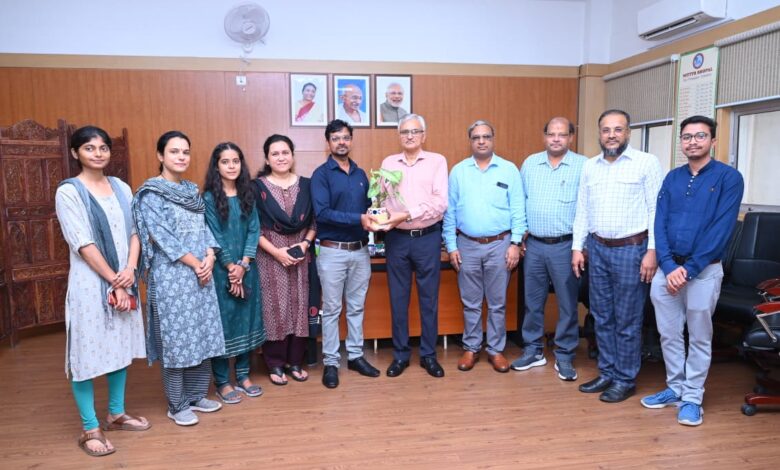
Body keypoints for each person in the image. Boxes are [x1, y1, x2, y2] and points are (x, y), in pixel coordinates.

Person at [642, 116, 743, 426]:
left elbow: (720, 231)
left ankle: (693, 398)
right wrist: (669, 265)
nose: (693, 142)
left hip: (703, 271)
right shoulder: (673, 177)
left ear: (713, 140)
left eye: (700, 136)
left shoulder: (729, 178)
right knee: (669, 333)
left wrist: (687, 270)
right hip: (668, 269)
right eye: (687, 137)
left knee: (699, 336)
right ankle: (675, 388)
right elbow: (659, 222)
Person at [55, 126, 149, 457]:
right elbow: (82, 242)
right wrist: (115, 280)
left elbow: (136, 231)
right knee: (86, 351)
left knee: (119, 345)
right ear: (75, 153)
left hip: (125, 275)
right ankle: (90, 427)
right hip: (90, 282)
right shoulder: (69, 192)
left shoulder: (121, 187)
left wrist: (130, 271)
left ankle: (116, 414)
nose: (98, 153)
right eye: (89, 148)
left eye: (103, 148)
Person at [133, 130, 225, 426]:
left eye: (185, 152)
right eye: (174, 151)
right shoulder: (151, 193)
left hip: (201, 274)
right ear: (160, 155)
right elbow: (163, 237)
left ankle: (197, 395)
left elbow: (204, 229)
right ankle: (177, 404)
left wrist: (210, 257)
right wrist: (197, 263)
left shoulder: (191, 191)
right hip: (172, 277)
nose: (181, 157)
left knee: (202, 334)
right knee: (177, 341)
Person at [572, 109, 663, 403]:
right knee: (601, 316)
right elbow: (583, 209)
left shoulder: (647, 163)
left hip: (632, 249)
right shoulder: (590, 166)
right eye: (606, 130)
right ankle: (607, 372)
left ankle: (625, 379)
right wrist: (577, 247)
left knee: (627, 319)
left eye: (618, 129)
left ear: (628, 133)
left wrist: (652, 251)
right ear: (599, 133)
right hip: (597, 249)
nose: (611, 135)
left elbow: (657, 211)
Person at [443, 120, 525, 373]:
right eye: (476, 137)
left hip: (500, 245)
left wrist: (515, 243)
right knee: (471, 302)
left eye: (486, 136)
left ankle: (496, 350)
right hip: (466, 245)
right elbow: (449, 212)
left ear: (492, 139)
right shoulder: (458, 171)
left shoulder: (509, 170)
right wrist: (451, 246)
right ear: (470, 141)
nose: (481, 141)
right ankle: (471, 347)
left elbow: (518, 209)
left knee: (498, 303)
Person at [511, 117, 586, 381]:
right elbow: (520, 202)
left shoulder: (583, 165)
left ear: (571, 138)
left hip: (565, 246)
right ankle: (533, 350)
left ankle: (564, 354)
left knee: (567, 304)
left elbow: (587, 208)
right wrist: (519, 237)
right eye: (551, 134)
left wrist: (580, 246)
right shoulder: (530, 164)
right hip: (534, 246)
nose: (556, 139)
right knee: (532, 302)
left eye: (562, 134)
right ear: (544, 136)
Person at [311, 119, 380, 389]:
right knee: (331, 309)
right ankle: (331, 362)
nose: (342, 142)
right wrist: (359, 218)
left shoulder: (361, 174)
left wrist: (379, 210)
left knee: (356, 306)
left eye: (346, 137)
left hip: (360, 251)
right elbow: (322, 213)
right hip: (332, 252)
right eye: (336, 138)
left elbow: (369, 209)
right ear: (328, 142)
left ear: (351, 140)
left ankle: (355, 356)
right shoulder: (321, 175)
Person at [380, 113, 448, 378]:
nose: (409, 136)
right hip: (396, 239)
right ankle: (400, 355)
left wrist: (407, 214)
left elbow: (440, 202)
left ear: (423, 135)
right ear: (399, 136)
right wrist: (380, 216)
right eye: (404, 132)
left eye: (415, 131)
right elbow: (383, 199)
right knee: (398, 299)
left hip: (427, 238)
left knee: (429, 299)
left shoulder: (437, 161)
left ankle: (429, 355)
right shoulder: (388, 163)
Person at [203, 142, 266, 404]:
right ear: (216, 166)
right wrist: (231, 267)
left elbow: (254, 229)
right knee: (223, 324)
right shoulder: (208, 198)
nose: (231, 166)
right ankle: (222, 381)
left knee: (246, 319)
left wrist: (244, 264)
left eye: (236, 161)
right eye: (225, 161)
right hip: (220, 273)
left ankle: (242, 375)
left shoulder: (248, 192)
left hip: (247, 268)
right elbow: (213, 235)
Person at [254, 134, 317, 385]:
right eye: (275, 154)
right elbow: (253, 227)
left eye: (285, 153)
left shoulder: (308, 185)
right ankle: (275, 363)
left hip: (301, 255)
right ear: (267, 159)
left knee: (300, 306)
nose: (281, 157)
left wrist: (305, 244)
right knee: (274, 308)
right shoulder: (256, 188)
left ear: (292, 156)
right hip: (269, 256)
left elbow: (314, 222)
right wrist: (277, 252)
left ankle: (295, 361)